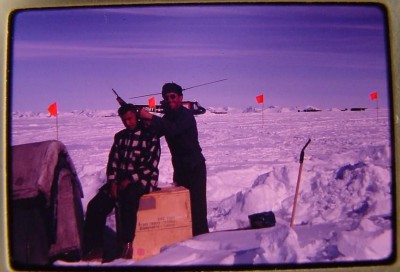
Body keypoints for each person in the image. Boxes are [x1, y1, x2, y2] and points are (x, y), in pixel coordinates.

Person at [82, 103, 161, 262]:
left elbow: (150, 166)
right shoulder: (120, 137)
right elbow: (113, 162)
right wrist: (112, 182)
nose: (127, 123)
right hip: (119, 181)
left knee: (128, 199)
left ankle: (127, 244)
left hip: (143, 179)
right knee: (96, 206)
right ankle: (96, 248)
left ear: (136, 117)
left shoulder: (150, 136)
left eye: (130, 119)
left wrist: (129, 179)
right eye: (124, 120)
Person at [139, 82, 209, 236]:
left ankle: (203, 241)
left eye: (173, 96)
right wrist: (145, 123)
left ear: (180, 97)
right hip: (180, 168)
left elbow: (173, 129)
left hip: (194, 167)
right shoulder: (168, 117)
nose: (170, 99)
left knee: (197, 209)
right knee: (182, 207)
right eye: (166, 97)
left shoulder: (186, 115)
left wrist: (151, 116)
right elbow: (156, 132)